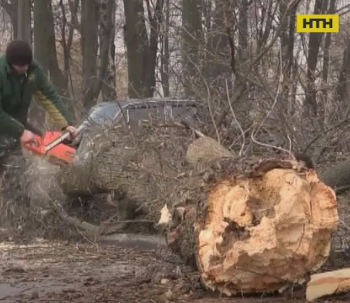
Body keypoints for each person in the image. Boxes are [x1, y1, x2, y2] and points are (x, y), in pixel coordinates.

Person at [0, 39, 77, 156]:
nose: (26, 68)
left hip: (16, 125)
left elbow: (49, 95)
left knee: (20, 166)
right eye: (21, 66)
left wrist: (66, 124)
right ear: (11, 64)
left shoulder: (33, 70)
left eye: (27, 64)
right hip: (7, 125)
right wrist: (20, 132)